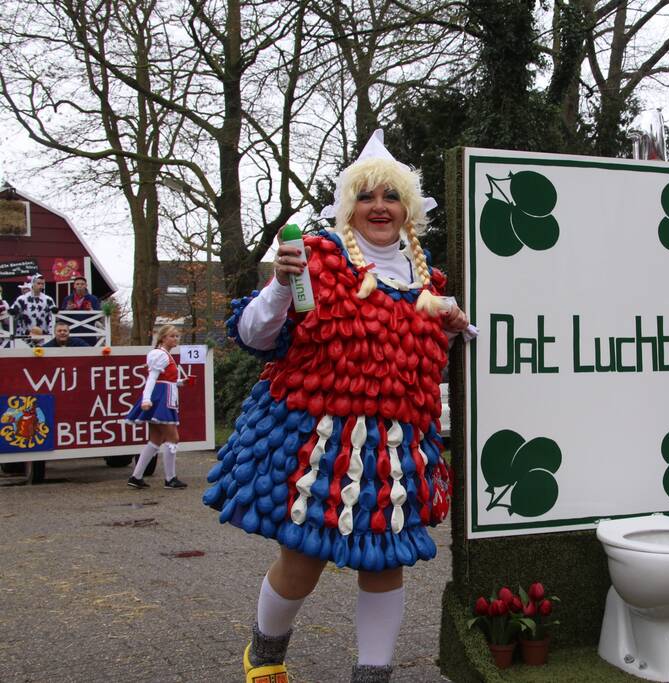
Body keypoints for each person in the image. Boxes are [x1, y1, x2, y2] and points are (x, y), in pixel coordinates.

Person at [202, 130, 471, 683]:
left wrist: (455, 332)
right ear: (349, 206)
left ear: (407, 209)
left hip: (394, 448)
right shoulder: (315, 259)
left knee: (385, 565)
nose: (379, 207)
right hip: (317, 439)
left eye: (390, 196)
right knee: (301, 562)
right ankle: (266, 657)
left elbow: (415, 366)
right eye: (366, 196)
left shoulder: (429, 283)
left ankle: (372, 677)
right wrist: (280, 284)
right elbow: (255, 337)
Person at [124, 324, 189, 490]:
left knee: (156, 439)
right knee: (173, 437)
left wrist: (181, 382)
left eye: (176, 336)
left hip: (163, 395)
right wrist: (146, 399)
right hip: (161, 398)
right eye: (172, 336)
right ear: (162, 338)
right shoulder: (161, 354)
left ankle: (136, 476)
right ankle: (170, 478)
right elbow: (152, 378)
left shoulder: (164, 354)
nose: (175, 339)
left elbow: (163, 379)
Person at [10, 274, 57, 345]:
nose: (41, 286)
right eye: (38, 283)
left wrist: (50, 332)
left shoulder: (48, 299)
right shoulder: (22, 299)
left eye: (42, 284)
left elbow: (54, 314)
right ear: (32, 284)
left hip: (43, 334)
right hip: (25, 334)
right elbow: (12, 311)